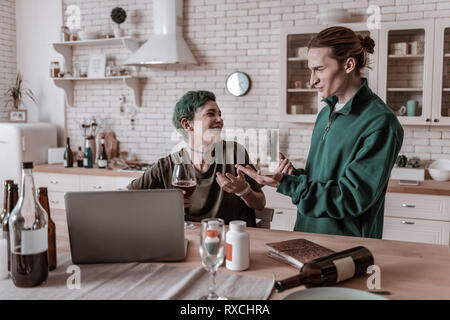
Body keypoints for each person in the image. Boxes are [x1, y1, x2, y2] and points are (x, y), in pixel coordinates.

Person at [237, 26, 404, 238]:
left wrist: (287, 184)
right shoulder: (326, 113)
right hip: (307, 234)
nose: (311, 80)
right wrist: (292, 176)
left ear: (349, 65)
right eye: (310, 70)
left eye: (319, 69)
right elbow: (323, 180)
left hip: (346, 247)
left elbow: (351, 197)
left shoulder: (380, 123)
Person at [127, 90, 265, 226]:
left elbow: (260, 203)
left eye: (220, 115)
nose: (220, 120)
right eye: (211, 114)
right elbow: (125, 198)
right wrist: (161, 206)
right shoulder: (167, 165)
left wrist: (244, 191)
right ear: (187, 124)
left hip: (232, 241)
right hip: (188, 241)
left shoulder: (234, 153)